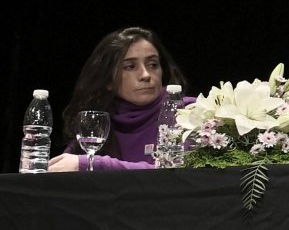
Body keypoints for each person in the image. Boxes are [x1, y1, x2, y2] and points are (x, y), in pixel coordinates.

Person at [46, 26, 185, 172]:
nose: (146, 75)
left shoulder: (187, 113)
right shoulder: (97, 124)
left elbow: (176, 173)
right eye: (130, 66)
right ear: (108, 81)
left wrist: (94, 164)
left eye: (153, 65)